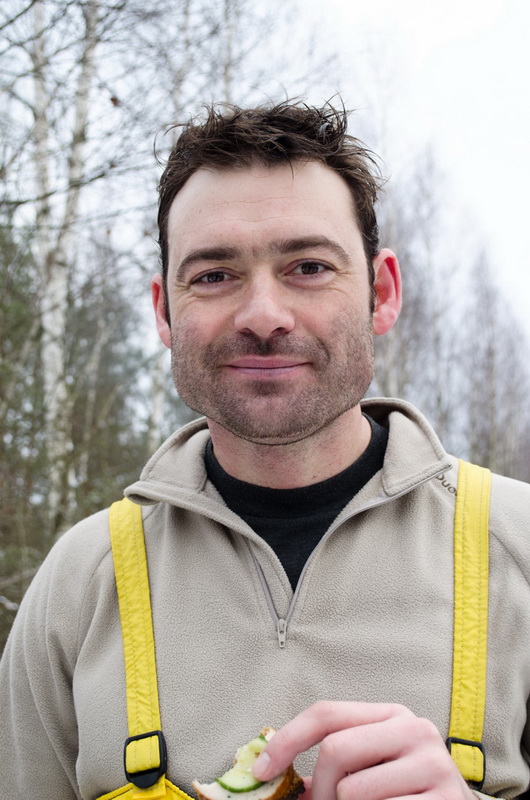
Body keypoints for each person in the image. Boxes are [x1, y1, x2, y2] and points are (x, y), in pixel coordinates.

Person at [1, 101, 529, 800]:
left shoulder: (519, 544)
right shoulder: (80, 583)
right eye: (214, 275)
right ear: (164, 311)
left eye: (308, 266)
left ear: (381, 292)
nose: (263, 316)